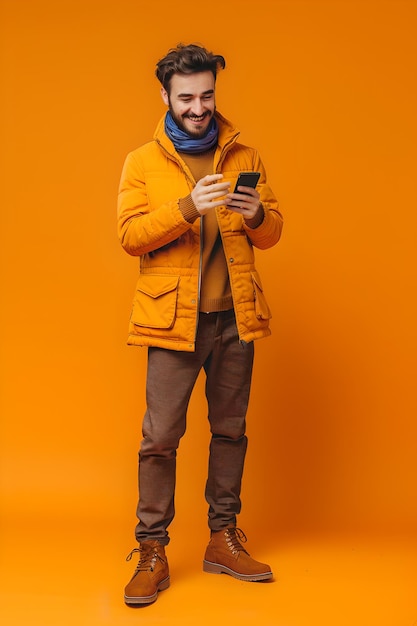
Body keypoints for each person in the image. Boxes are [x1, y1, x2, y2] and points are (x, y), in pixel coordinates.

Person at [117, 43, 283, 606]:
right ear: (165, 96)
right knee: (160, 440)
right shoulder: (142, 162)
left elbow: (273, 228)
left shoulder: (245, 155)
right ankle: (152, 550)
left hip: (236, 319)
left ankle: (222, 539)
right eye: (186, 97)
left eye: (206, 95)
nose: (198, 107)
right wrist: (187, 207)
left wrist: (257, 214)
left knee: (231, 432)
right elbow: (130, 237)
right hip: (172, 324)